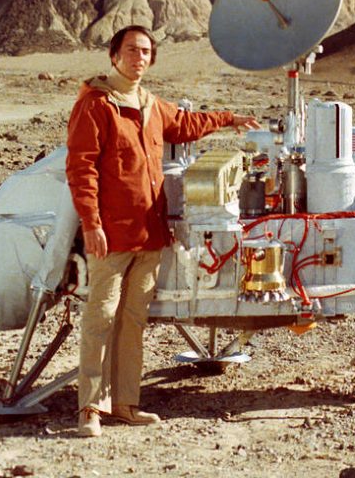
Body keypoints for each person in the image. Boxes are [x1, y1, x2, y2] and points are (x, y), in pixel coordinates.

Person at [65, 24, 259, 437]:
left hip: (150, 235)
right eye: (132, 50)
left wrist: (229, 119)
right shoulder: (96, 105)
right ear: (113, 55)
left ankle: (126, 404)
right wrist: (91, 225)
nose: (139, 57)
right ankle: (90, 409)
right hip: (110, 235)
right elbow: (81, 170)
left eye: (147, 51)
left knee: (133, 321)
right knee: (100, 318)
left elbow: (187, 124)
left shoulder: (152, 106)